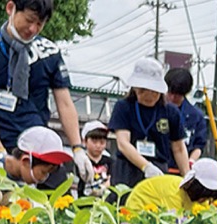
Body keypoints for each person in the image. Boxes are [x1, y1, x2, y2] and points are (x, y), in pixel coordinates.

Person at [0, 0, 93, 188]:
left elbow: (65, 103)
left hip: (41, 151)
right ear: (11, 8)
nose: (33, 29)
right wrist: (0, 154)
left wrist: (77, 148)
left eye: (40, 24)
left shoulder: (49, 53)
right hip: (3, 145)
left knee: (57, 200)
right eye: (29, 20)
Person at [109, 58, 188, 188]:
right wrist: (146, 166)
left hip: (158, 170)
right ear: (135, 88)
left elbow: (178, 148)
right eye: (143, 90)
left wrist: (187, 178)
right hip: (128, 168)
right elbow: (123, 143)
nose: (149, 95)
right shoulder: (123, 107)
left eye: (154, 91)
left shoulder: (170, 112)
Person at [125, 158, 217, 214]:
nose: (205, 201)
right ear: (197, 188)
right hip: (137, 213)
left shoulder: (198, 197)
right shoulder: (173, 195)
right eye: (205, 196)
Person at [164, 67, 208, 163]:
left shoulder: (196, 116)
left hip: (182, 167)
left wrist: (191, 161)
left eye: (177, 95)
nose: (172, 98)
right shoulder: (157, 110)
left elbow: (199, 145)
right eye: (170, 93)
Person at [76, 120, 112, 198]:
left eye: (102, 142)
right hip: (84, 200)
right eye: (94, 142)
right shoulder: (81, 161)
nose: (98, 146)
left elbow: (112, 178)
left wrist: (103, 187)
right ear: (85, 141)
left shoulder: (109, 161)